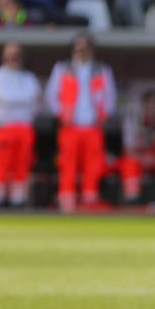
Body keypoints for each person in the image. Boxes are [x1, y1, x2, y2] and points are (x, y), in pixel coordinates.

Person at [45, 32, 116, 212]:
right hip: (70, 126)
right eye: (78, 47)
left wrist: (103, 116)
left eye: (85, 47)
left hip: (93, 126)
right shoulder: (62, 69)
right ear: (73, 49)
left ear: (92, 49)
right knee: (67, 163)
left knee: (94, 165)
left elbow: (110, 98)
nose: (81, 50)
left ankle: (89, 200)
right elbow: (51, 97)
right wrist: (62, 115)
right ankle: (67, 200)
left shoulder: (102, 69)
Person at [0, 41, 41, 206]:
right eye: (10, 54)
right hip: (5, 127)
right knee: (1, 165)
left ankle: (18, 201)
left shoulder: (29, 78)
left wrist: (20, 101)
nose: (13, 58)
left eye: (16, 55)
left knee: (22, 166)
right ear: (4, 56)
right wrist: (25, 100)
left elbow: (37, 100)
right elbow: (3, 98)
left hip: (25, 128)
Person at [119, 87, 155, 203]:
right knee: (128, 164)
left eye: (154, 105)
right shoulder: (131, 121)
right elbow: (128, 150)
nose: (151, 109)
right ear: (143, 106)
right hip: (138, 159)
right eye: (148, 105)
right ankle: (131, 201)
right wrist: (144, 159)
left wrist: (154, 160)